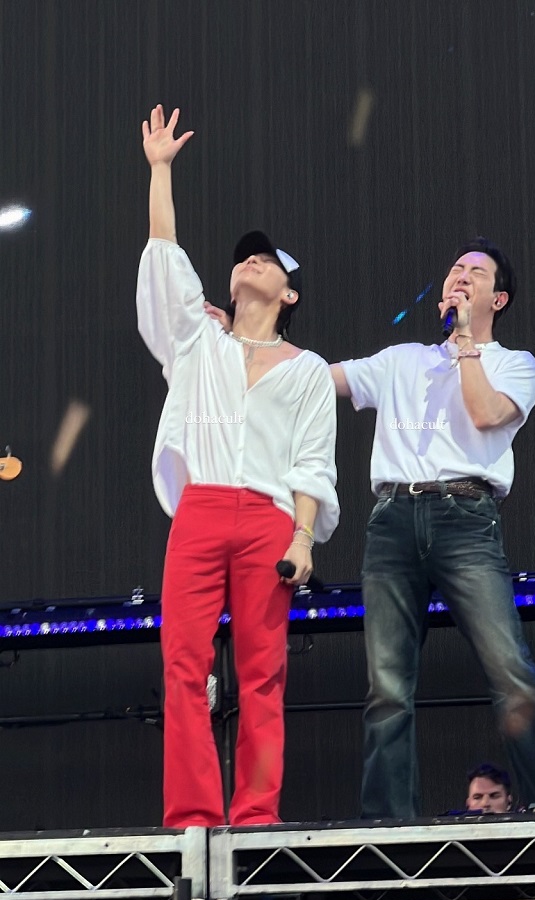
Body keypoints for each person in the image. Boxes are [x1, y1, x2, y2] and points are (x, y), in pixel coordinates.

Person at [136, 105, 339, 828]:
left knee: (263, 670)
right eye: (244, 257)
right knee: (183, 663)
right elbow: (164, 259)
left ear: (290, 293)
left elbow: (313, 462)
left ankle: (255, 814)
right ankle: (193, 815)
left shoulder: (308, 369)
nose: (251, 260)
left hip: (268, 521)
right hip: (201, 508)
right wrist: (160, 171)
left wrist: (303, 538)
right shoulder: (199, 345)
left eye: (268, 260)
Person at [331, 238, 535, 819]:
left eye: (476, 272)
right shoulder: (402, 359)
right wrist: (245, 343)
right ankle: (388, 819)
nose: (460, 276)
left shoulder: (515, 364)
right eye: (455, 269)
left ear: (499, 298)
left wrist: (465, 342)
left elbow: (486, 414)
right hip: (393, 518)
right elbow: (317, 380)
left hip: (466, 516)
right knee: (387, 685)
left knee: (508, 665)